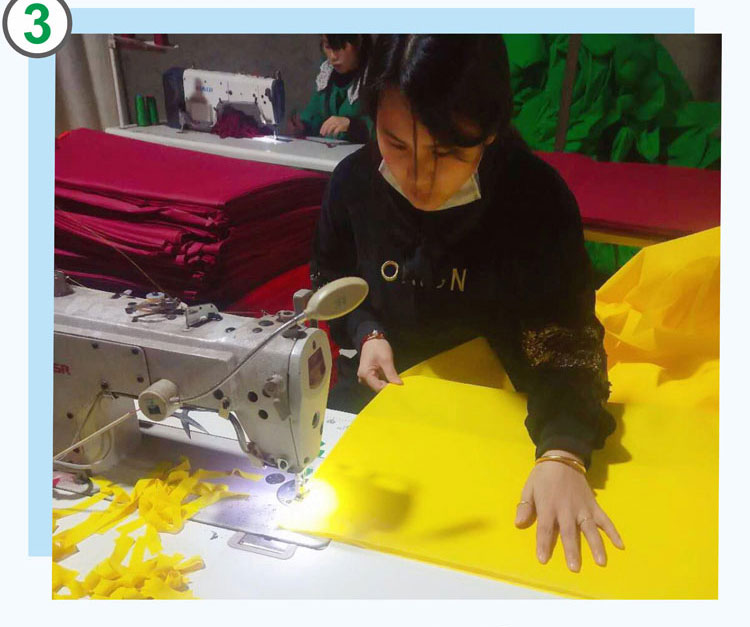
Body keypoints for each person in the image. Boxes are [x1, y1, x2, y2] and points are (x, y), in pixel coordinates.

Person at [311, 35, 625, 573]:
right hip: (387, 415)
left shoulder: (535, 200)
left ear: (491, 126)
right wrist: (367, 332)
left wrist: (563, 451)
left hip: (504, 424)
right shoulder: (354, 184)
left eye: (449, 153)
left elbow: (568, 344)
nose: (419, 179)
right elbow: (333, 277)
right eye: (396, 145)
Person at [289, 34, 373, 143]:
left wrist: (353, 126)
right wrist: (302, 127)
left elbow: (385, 128)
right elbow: (315, 114)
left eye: (339, 47)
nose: (333, 56)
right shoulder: (327, 74)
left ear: (358, 42)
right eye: (328, 47)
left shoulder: (375, 76)